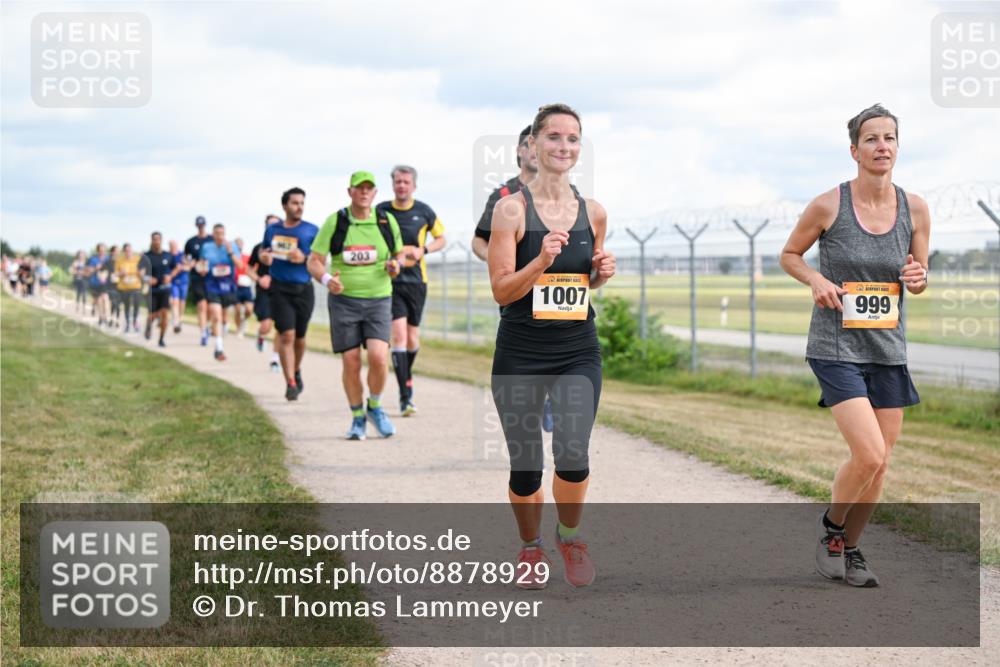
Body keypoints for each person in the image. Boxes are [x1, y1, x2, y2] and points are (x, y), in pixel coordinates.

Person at [779, 104, 930, 588]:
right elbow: (789, 254)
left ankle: (852, 549)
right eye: (872, 139)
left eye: (889, 138)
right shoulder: (829, 205)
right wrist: (816, 280)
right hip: (836, 346)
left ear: (897, 147)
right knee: (868, 454)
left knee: (882, 463)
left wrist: (918, 276)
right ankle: (832, 529)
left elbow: (919, 275)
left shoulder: (916, 208)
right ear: (855, 150)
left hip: (888, 350)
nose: (882, 146)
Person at [488, 104, 615, 589]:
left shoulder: (595, 211)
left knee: (573, 452)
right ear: (533, 146)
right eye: (554, 138)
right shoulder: (511, 209)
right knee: (526, 464)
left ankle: (570, 536)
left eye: (573, 139)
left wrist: (599, 276)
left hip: (577, 348)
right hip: (520, 351)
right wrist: (539, 259)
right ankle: (529, 548)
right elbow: (503, 291)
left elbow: (582, 284)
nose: (564, 147)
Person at [474, 125, 559, 433]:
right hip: (516, 288)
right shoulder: (503, 196)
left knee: (558, 342)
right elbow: (478, 241)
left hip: (554, 288)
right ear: (520, 152)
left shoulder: (562, 194)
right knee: (524, 348)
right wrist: (498, 260)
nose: (535, 151)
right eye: (529, 145)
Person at [307, 171, 404, 439]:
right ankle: (357, 417)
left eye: (369, 189)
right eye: (358, 188)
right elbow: (314, 260)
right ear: (350, 192)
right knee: (350, 362)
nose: (363, 192)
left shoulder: (386, 221)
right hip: (344, 302)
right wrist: (327, 279)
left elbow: (399, 256)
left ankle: (374, 405)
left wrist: (395, 266)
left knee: (378, 356)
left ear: (374, 194)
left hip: (379, 299)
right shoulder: (336, 221)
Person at [376, 166, 447, 415]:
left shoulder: (424, 211)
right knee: (399, 336)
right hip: (391, 281)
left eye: (406, 182)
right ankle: (405, 396)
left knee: (412, 339)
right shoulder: (382, 211)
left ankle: (404, 373)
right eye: (397, 181)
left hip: (417, 281)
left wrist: (423, 250)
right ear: (392, 184)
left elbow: (441, 239)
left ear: (414, 185)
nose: (401, 186)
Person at [259, 189, 319, 400]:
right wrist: (265, 258)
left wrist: (304, 258)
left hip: (303, 289)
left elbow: (320, 259)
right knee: (287, 335)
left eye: (302, 203)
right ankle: (290, 383)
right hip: (280, 288)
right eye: (294, 203)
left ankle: (295, 370)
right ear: (284, 206)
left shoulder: (312, 230)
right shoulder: (272, 230)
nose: (299, 207)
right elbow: (264, 252)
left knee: (300, 338)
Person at [197, 224, 242, 361]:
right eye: (217, 233)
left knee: (223, 316)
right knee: (216, 316)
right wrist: (202, 269)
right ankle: (219, 348)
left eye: (222, 233)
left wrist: (230, 252)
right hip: (212, 285)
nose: (220, 236)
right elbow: (202, 264)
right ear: (213, 234)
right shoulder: (206, 247)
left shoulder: (232, 246)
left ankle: (221, 332)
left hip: (228, 286)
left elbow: (240, 266)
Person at [248, 214, 282, 371]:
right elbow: (248, 269)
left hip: (282, 290)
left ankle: (275, 359)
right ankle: (261, 336)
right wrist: (259, 279)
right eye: (270, 225)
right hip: (264, 290)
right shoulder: (259, 247)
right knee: (266, 326)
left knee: (282, 326)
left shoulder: (286, 246)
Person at [143, 232, 180, 347]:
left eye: (158, 239)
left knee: (164, 314)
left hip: (165, 289)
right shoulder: (146, 256)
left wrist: (170, 276)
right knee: (153, 314)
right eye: (154, 239)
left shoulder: (168, 255)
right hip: (153, 290)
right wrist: (147, 278)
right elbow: (140, 272)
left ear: (161, 241)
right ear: (151, 240)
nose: (156, 241)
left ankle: (161, 338)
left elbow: (177, 268)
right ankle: (149, 324)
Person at [184, 216, 211, 345]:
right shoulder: (190, 242)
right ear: (196, 225)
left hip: (211, 278)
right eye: (198, 225)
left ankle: (209, 325)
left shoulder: (211, 240)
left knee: (211, 307)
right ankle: (203, 332)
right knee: (201, 306)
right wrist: (193, 264)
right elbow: (187, 260)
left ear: (205, 225)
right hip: (197, 277)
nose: (201, 226)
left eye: (202, 224)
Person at [115, 243, 143, 332]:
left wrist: (140, 272)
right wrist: (121, 273)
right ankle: (127, 324)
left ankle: (135, 321)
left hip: (136, 286)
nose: (128, 252)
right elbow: (115, 274)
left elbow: (143, 272)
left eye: (130, 250)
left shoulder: (138, 259)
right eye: (126, 251)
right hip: (124, 287)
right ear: (124, 252)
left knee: (136, 305)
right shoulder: (119, 260)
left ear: (132, 250)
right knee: (127, 306)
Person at [233, 238, 255, 337]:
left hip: (246, 287)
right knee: (237, 310)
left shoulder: (247, 257)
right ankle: (239, 329)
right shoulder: (231, 257)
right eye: (237, 244)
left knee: (249, 309)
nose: (239, 246)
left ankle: (243, 322)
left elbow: (253, 270)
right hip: (236, 287)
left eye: (240, 244)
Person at [86, 244, 111, 325]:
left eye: (103, 250)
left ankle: (106, 317)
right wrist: (95, 268)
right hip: (95, 282)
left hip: (105, 283)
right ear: (97, 251)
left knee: (105, 298)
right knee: (99, 300)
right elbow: (88, 270)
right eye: (100, 250)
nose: (102, 252)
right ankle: (101, 317)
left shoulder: (108, 259)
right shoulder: (93, 259)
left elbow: (112, 269)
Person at [168, 239, 190, 333]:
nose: (173, 247)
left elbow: (189, 267)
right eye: (171, 245)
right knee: (174, 302)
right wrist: (175, 271)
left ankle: (180, 319)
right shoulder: (168, 256)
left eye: (174, 245)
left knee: (182, 303)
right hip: (173, 283)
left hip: (184, 282)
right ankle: (176, 322)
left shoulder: (183, 255)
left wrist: (182, 267)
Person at [106, 245, 122, 328]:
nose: (117, 252)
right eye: (116, 251)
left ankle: (117, 320)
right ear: (112, 252)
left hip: (120, 285)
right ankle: (112, 319)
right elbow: (104, 272)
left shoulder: (121, 261)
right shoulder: (108, 261)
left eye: (118, 251)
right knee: (113, 303)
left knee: (118, 304)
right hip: (111, 285)